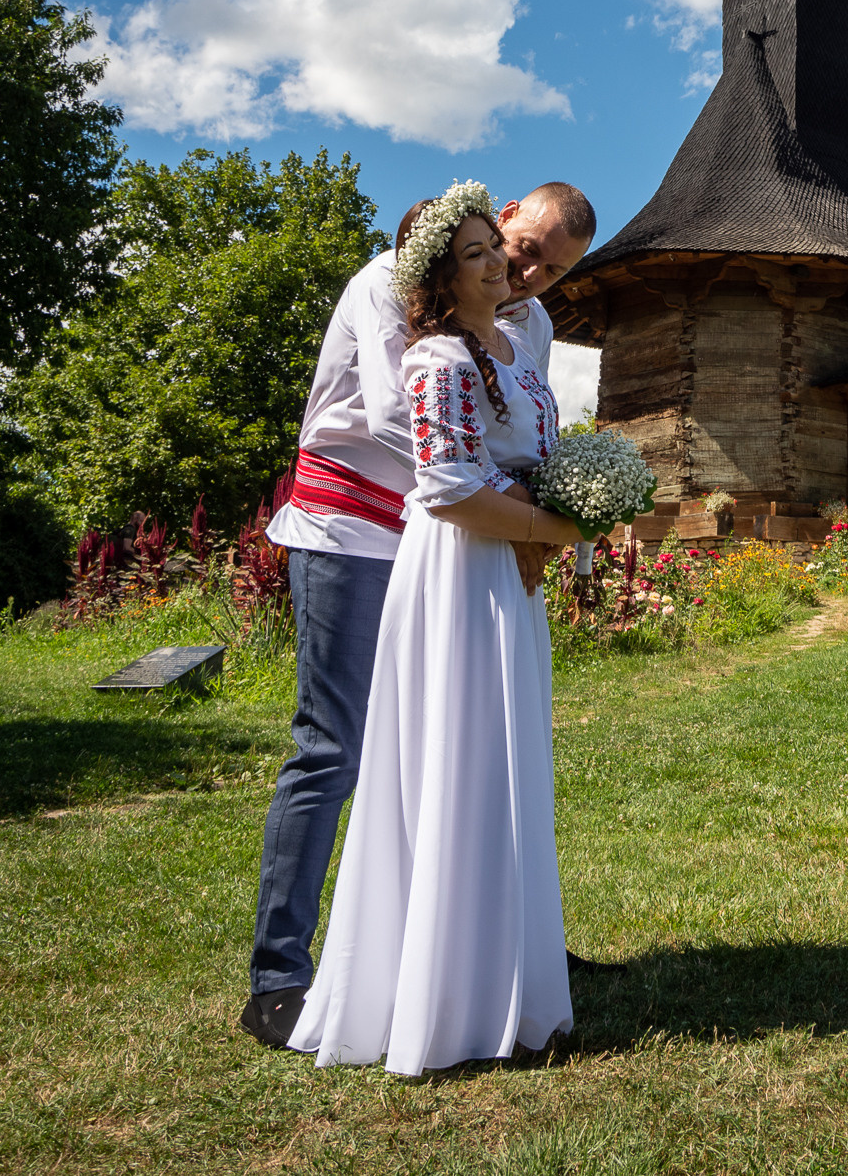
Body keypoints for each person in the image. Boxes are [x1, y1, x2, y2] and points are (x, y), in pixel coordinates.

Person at [240, 183, 596, 1051]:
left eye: (554, 268)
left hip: (459, 540)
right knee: (337, 744)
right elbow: (406, 417)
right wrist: (519, 511)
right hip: (356, 519)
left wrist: (546, 515)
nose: (531, 270)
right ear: (505, 214)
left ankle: (483, 948)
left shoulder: (531, 322)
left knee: (461, 742)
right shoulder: (385, 284)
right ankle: (279, 976)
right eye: (527, 247)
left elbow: (523, 424)